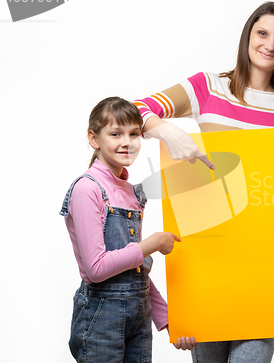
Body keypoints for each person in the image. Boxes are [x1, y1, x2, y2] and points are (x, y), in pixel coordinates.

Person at [134, 1, 274, 363]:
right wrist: (168, 132)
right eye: (263, 33)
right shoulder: (208, 87)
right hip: (209, 263)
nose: (270, 45)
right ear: (248, 35)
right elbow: (135, 109)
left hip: (266, 271)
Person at [59, 97, 183, 362]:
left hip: (139, 316)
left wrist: (167, 317)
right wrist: (152, 244)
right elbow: (97, 268)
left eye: (134, 133)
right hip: (101, 315)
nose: (127, 142)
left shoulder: (132, 193)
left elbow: (134, 269)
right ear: (94, 138)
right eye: (115, 134)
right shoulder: (87, 189)